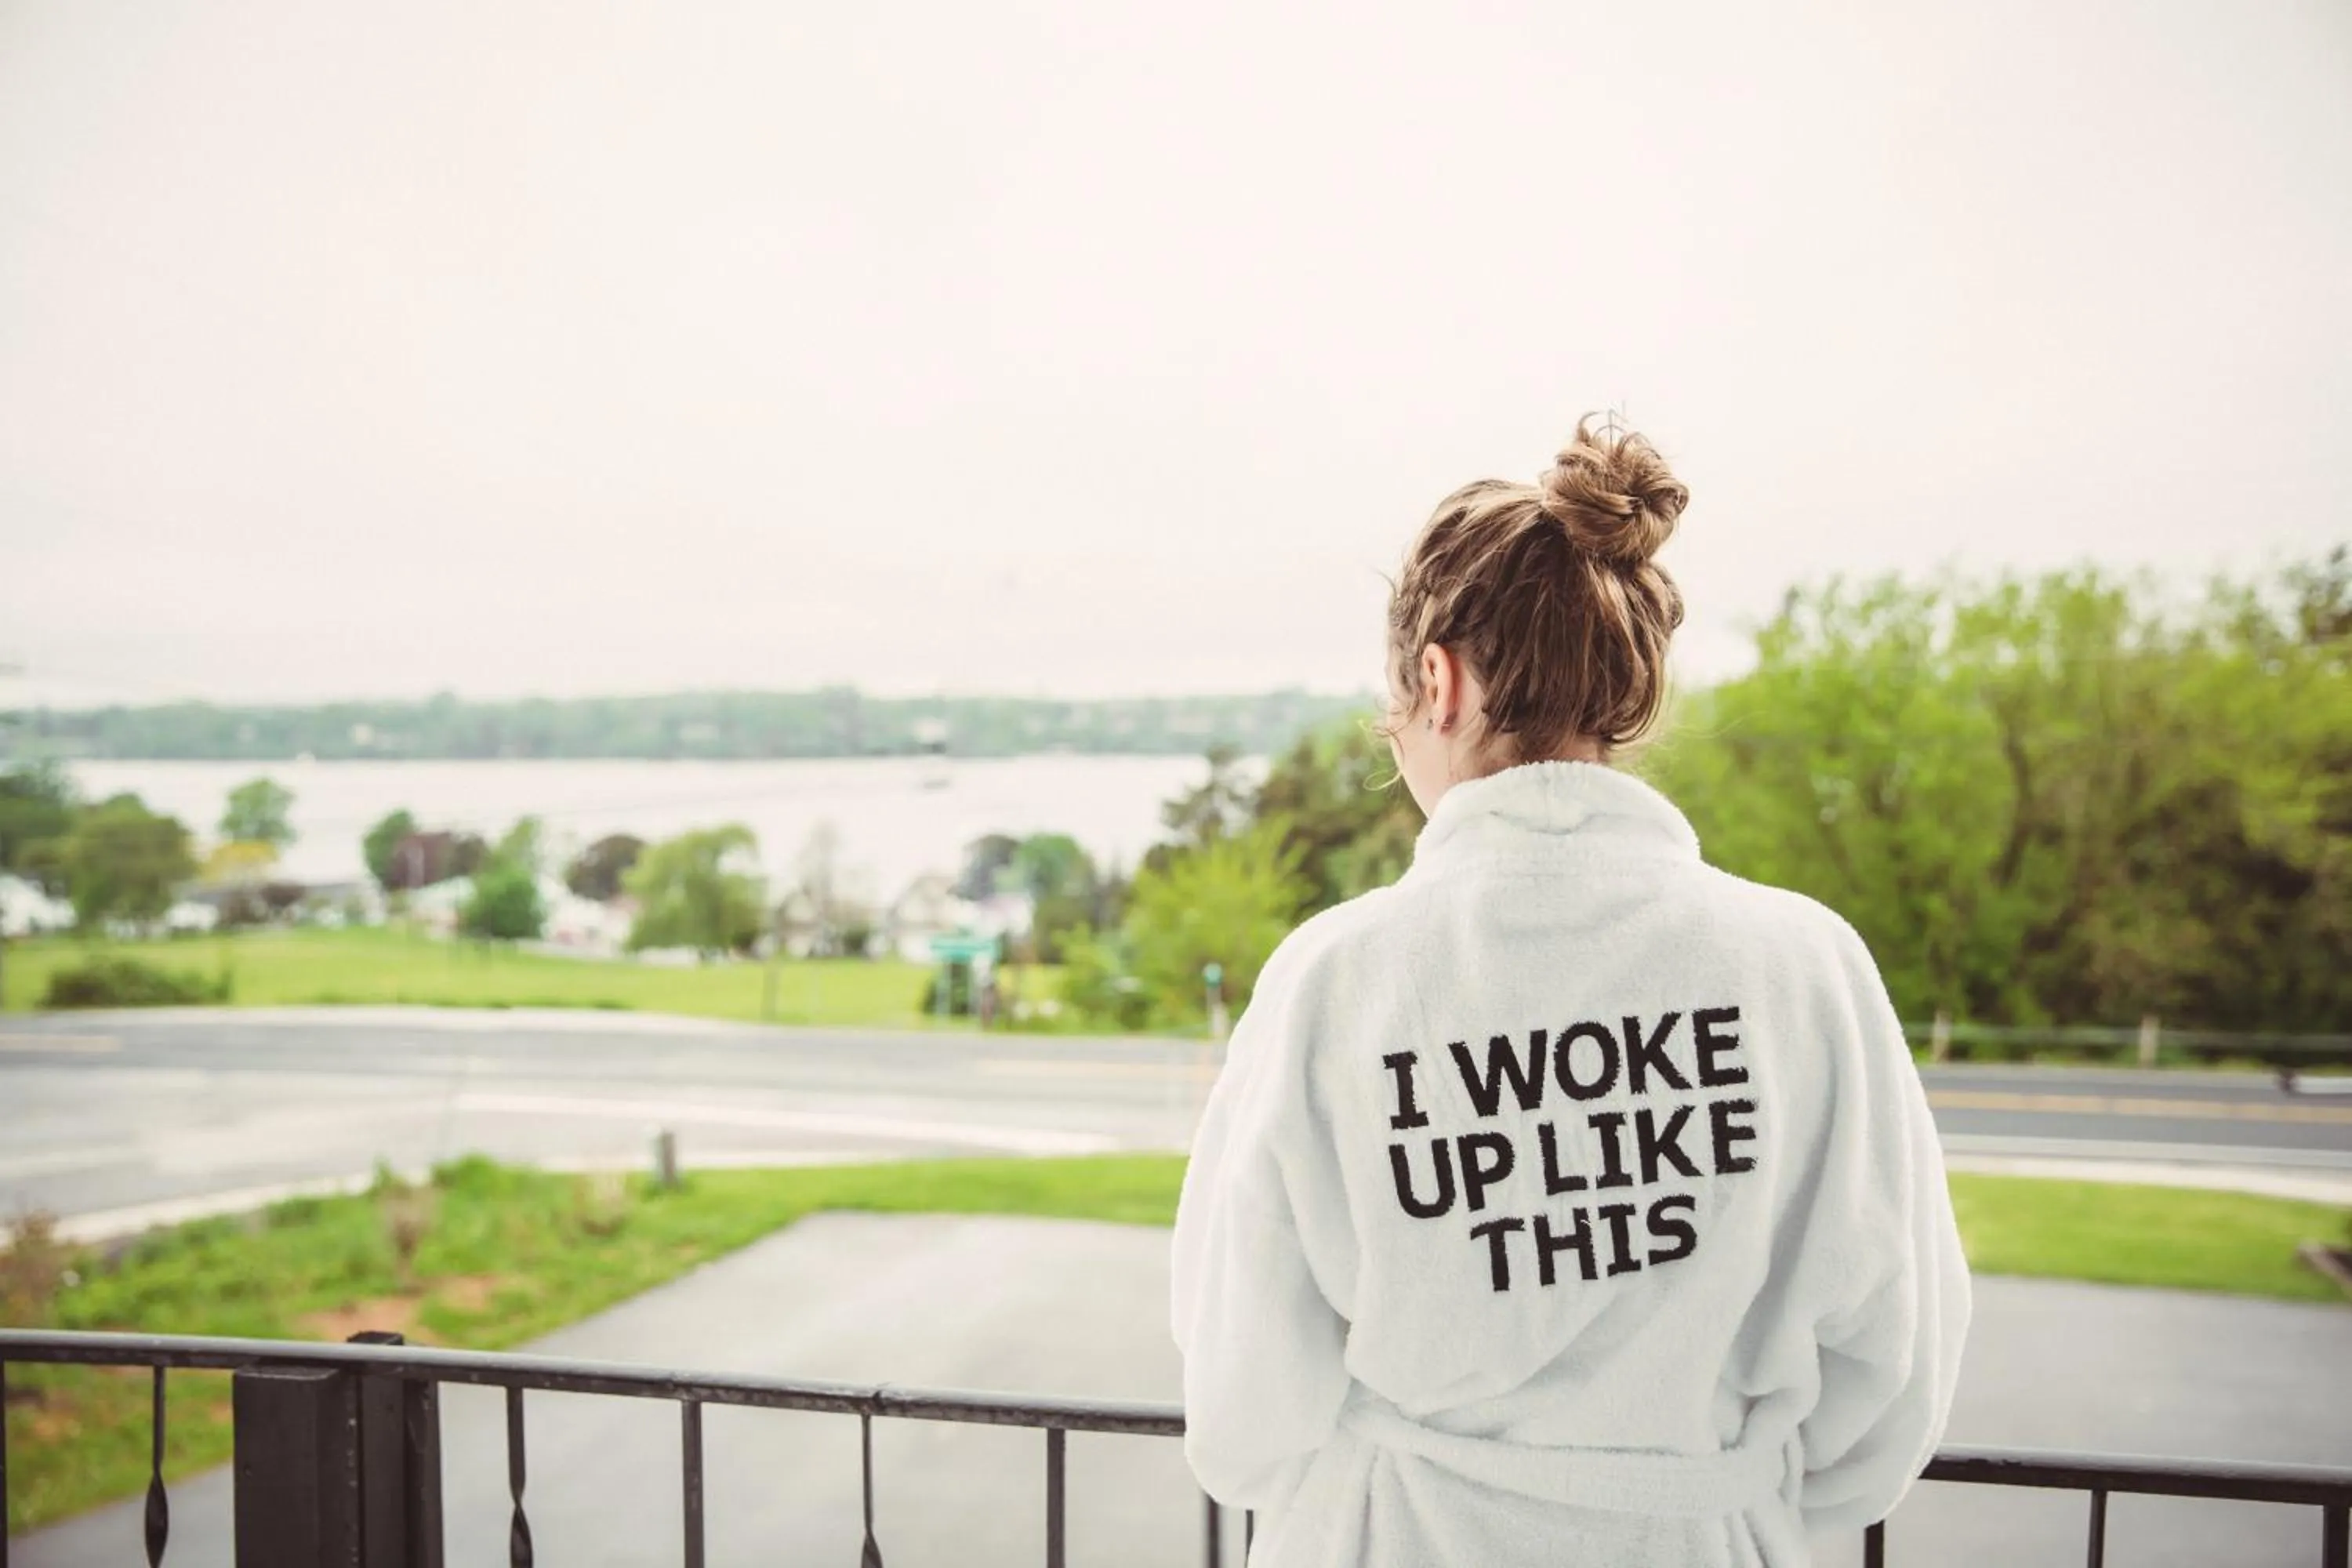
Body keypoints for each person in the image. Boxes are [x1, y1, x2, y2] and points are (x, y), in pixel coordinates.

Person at [1169, 417, 1971, 1567]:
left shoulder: (1333, 982)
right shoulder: (1807, 966)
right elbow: (1889, 1379)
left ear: (1435, 681)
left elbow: (1243, 1415)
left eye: (1395, 708)